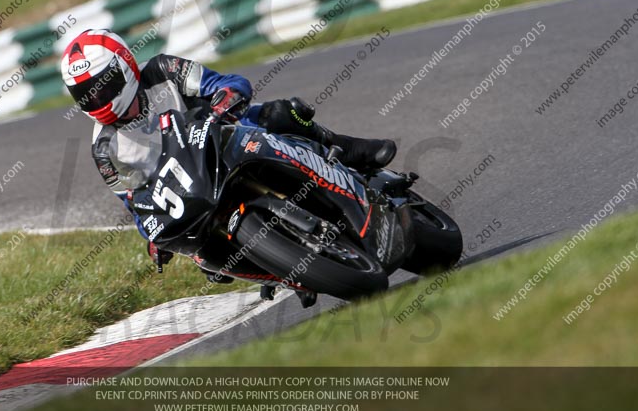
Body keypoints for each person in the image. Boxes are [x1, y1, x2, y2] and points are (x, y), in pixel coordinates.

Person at [60, 29, 396, 273]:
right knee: (207, 263)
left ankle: (346, 148)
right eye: (85, 95)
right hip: (190, 189)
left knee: (279, 113)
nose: (97, 101)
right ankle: (277, 267)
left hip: (223, 134)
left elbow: (226, 83)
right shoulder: (103, 148)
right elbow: (134, 204)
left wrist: (224, 99)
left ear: (125, 68)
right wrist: (152, 239)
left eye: (102, 88)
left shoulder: (162, 70)